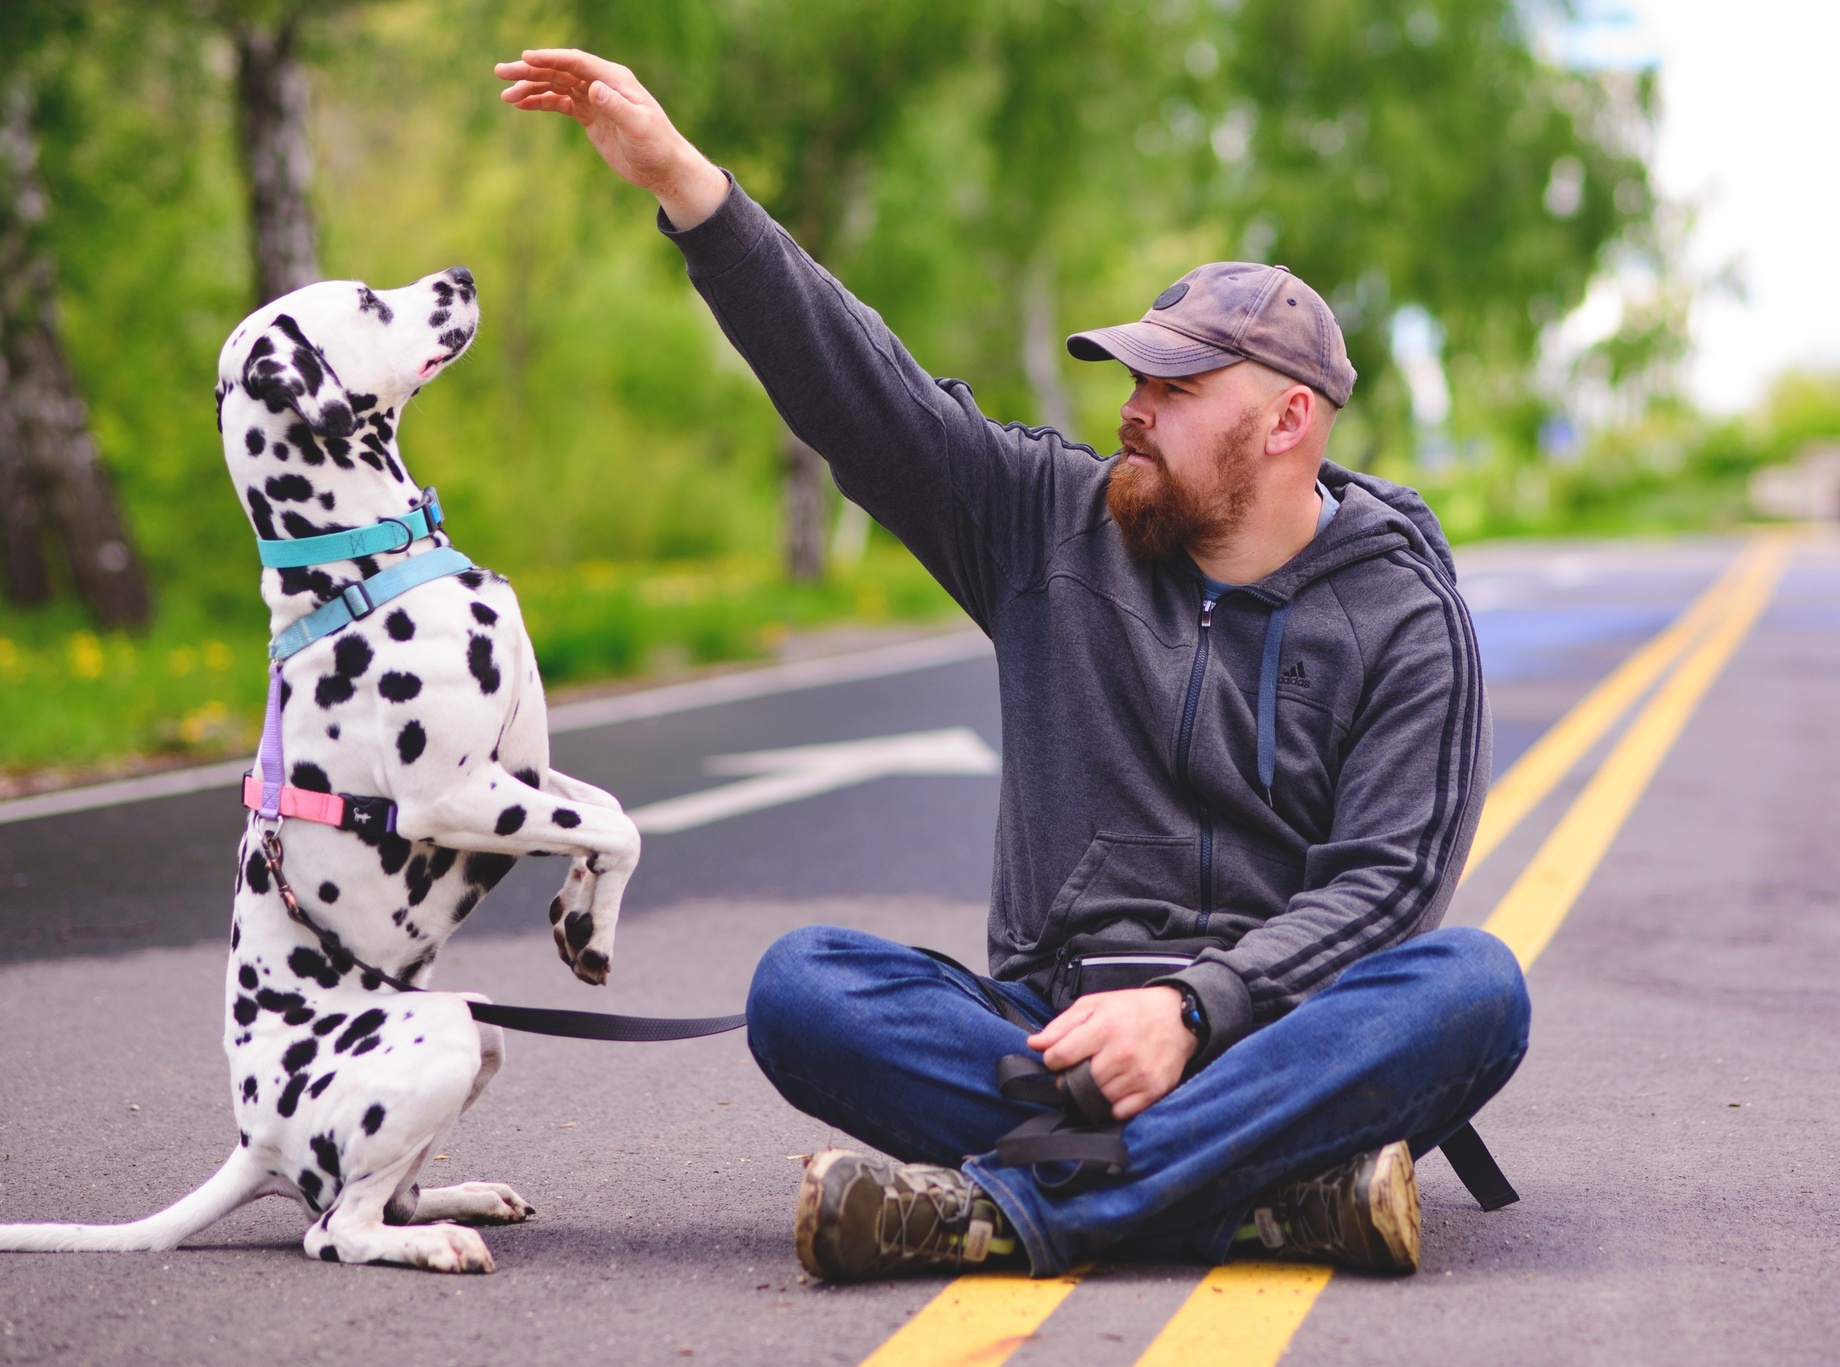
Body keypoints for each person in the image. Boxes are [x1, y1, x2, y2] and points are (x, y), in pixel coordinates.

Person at [496, 49, 1529, 1283]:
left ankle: (1011, 1209)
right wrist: (688, 188)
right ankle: (1267, 1198)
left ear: (1288, 419)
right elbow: (861, 395)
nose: (1134, 407)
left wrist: (1194, 1007)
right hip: (1046, 1037)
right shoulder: (1048, 520)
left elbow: (1386, 888)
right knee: (801, 987)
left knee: (1469, 984)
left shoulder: (1402, 609)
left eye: (1176, 384)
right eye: (1134, 375)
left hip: (1276, 1038)